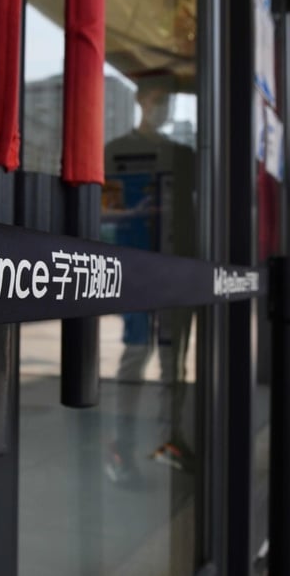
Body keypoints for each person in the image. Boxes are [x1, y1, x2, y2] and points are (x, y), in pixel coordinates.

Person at [102, 75, 197, 485]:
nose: (164, 109)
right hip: (137, 270)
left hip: (177, 269)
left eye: (169, 102)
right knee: (136, 354)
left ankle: (169, 439)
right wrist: (138, 214)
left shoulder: (184, 155)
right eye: (158, 100)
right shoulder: (116, 152)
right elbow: (105, 213)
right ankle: (121, 446)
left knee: (173, 361)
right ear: (140, 100)